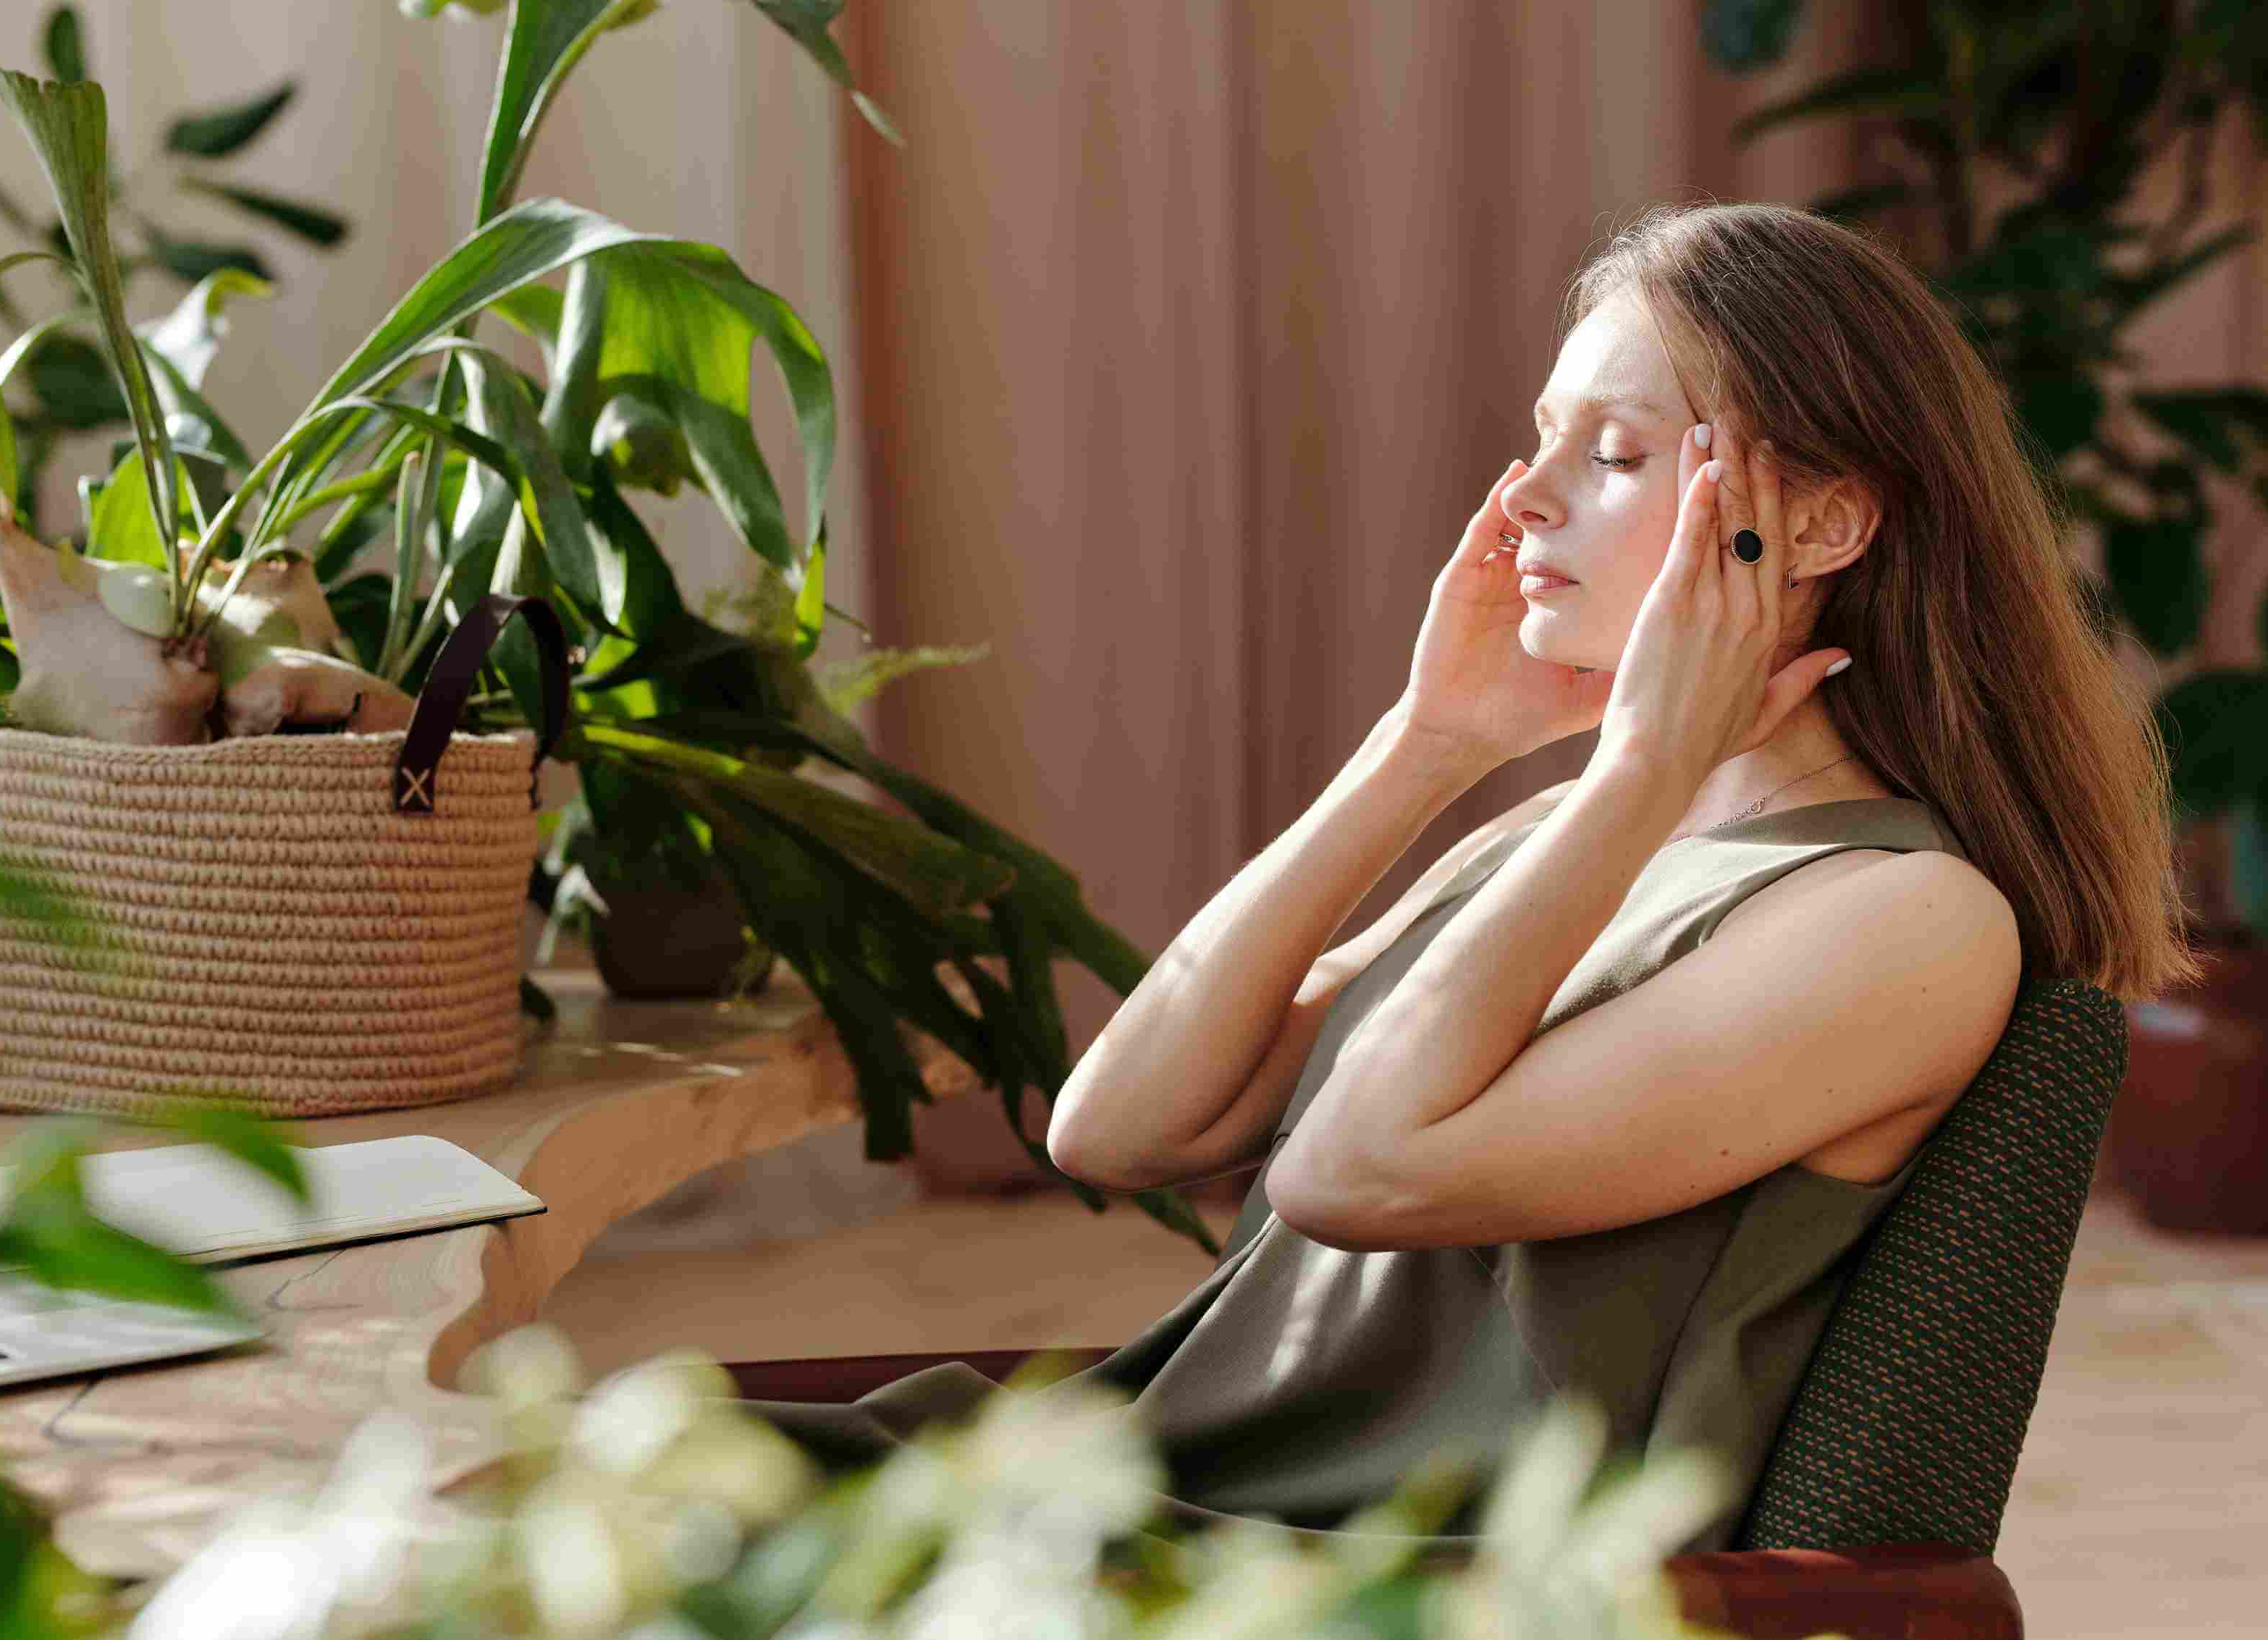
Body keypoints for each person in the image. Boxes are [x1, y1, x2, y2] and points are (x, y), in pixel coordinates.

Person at [721, 200, 2203, 1555]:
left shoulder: (1900, 922)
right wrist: (1423, 744)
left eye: (1611, 454)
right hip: (1116, 1485)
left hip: (1325, 1575)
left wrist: (1626, 779)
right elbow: (1114, 1126)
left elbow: (1350, 1168)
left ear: (1814, 524)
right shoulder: (1555, 840)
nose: (1519, 504)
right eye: (1538, 439)